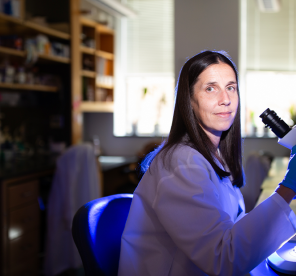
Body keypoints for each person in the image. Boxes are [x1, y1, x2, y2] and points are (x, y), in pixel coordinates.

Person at [117, 50, 296, 276]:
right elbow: (222, 259)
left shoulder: (212, 156)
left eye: (231, 87)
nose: (225, 99)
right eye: (210, 88)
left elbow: (232, 229)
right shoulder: (179, 164)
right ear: (189, 100)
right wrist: (288, 188)